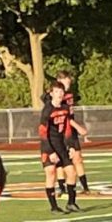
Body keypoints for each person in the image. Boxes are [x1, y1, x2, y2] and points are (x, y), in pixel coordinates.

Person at [38, 82, 79, 214]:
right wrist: (50, 152)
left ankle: (71, 203)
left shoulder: (65, 108)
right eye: (57, 92)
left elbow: (67, 128)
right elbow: (42, 132)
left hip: (61, 145)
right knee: (51, 174)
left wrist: (71, 145)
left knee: (72, 173)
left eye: (61, 91)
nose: (60, 94)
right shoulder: (47, 110)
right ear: (51, 94)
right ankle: (54, 206)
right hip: (49, 145)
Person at [56, 71, 91, 194]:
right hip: (62, 131)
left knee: (78, 158)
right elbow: (63, 116)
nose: (69, 81)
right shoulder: (57, 97)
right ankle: (61, 187)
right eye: (66, 79)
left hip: (71, 131)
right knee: (62, 160)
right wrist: (78, 127)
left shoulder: (69, 94)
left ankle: (85, 187)